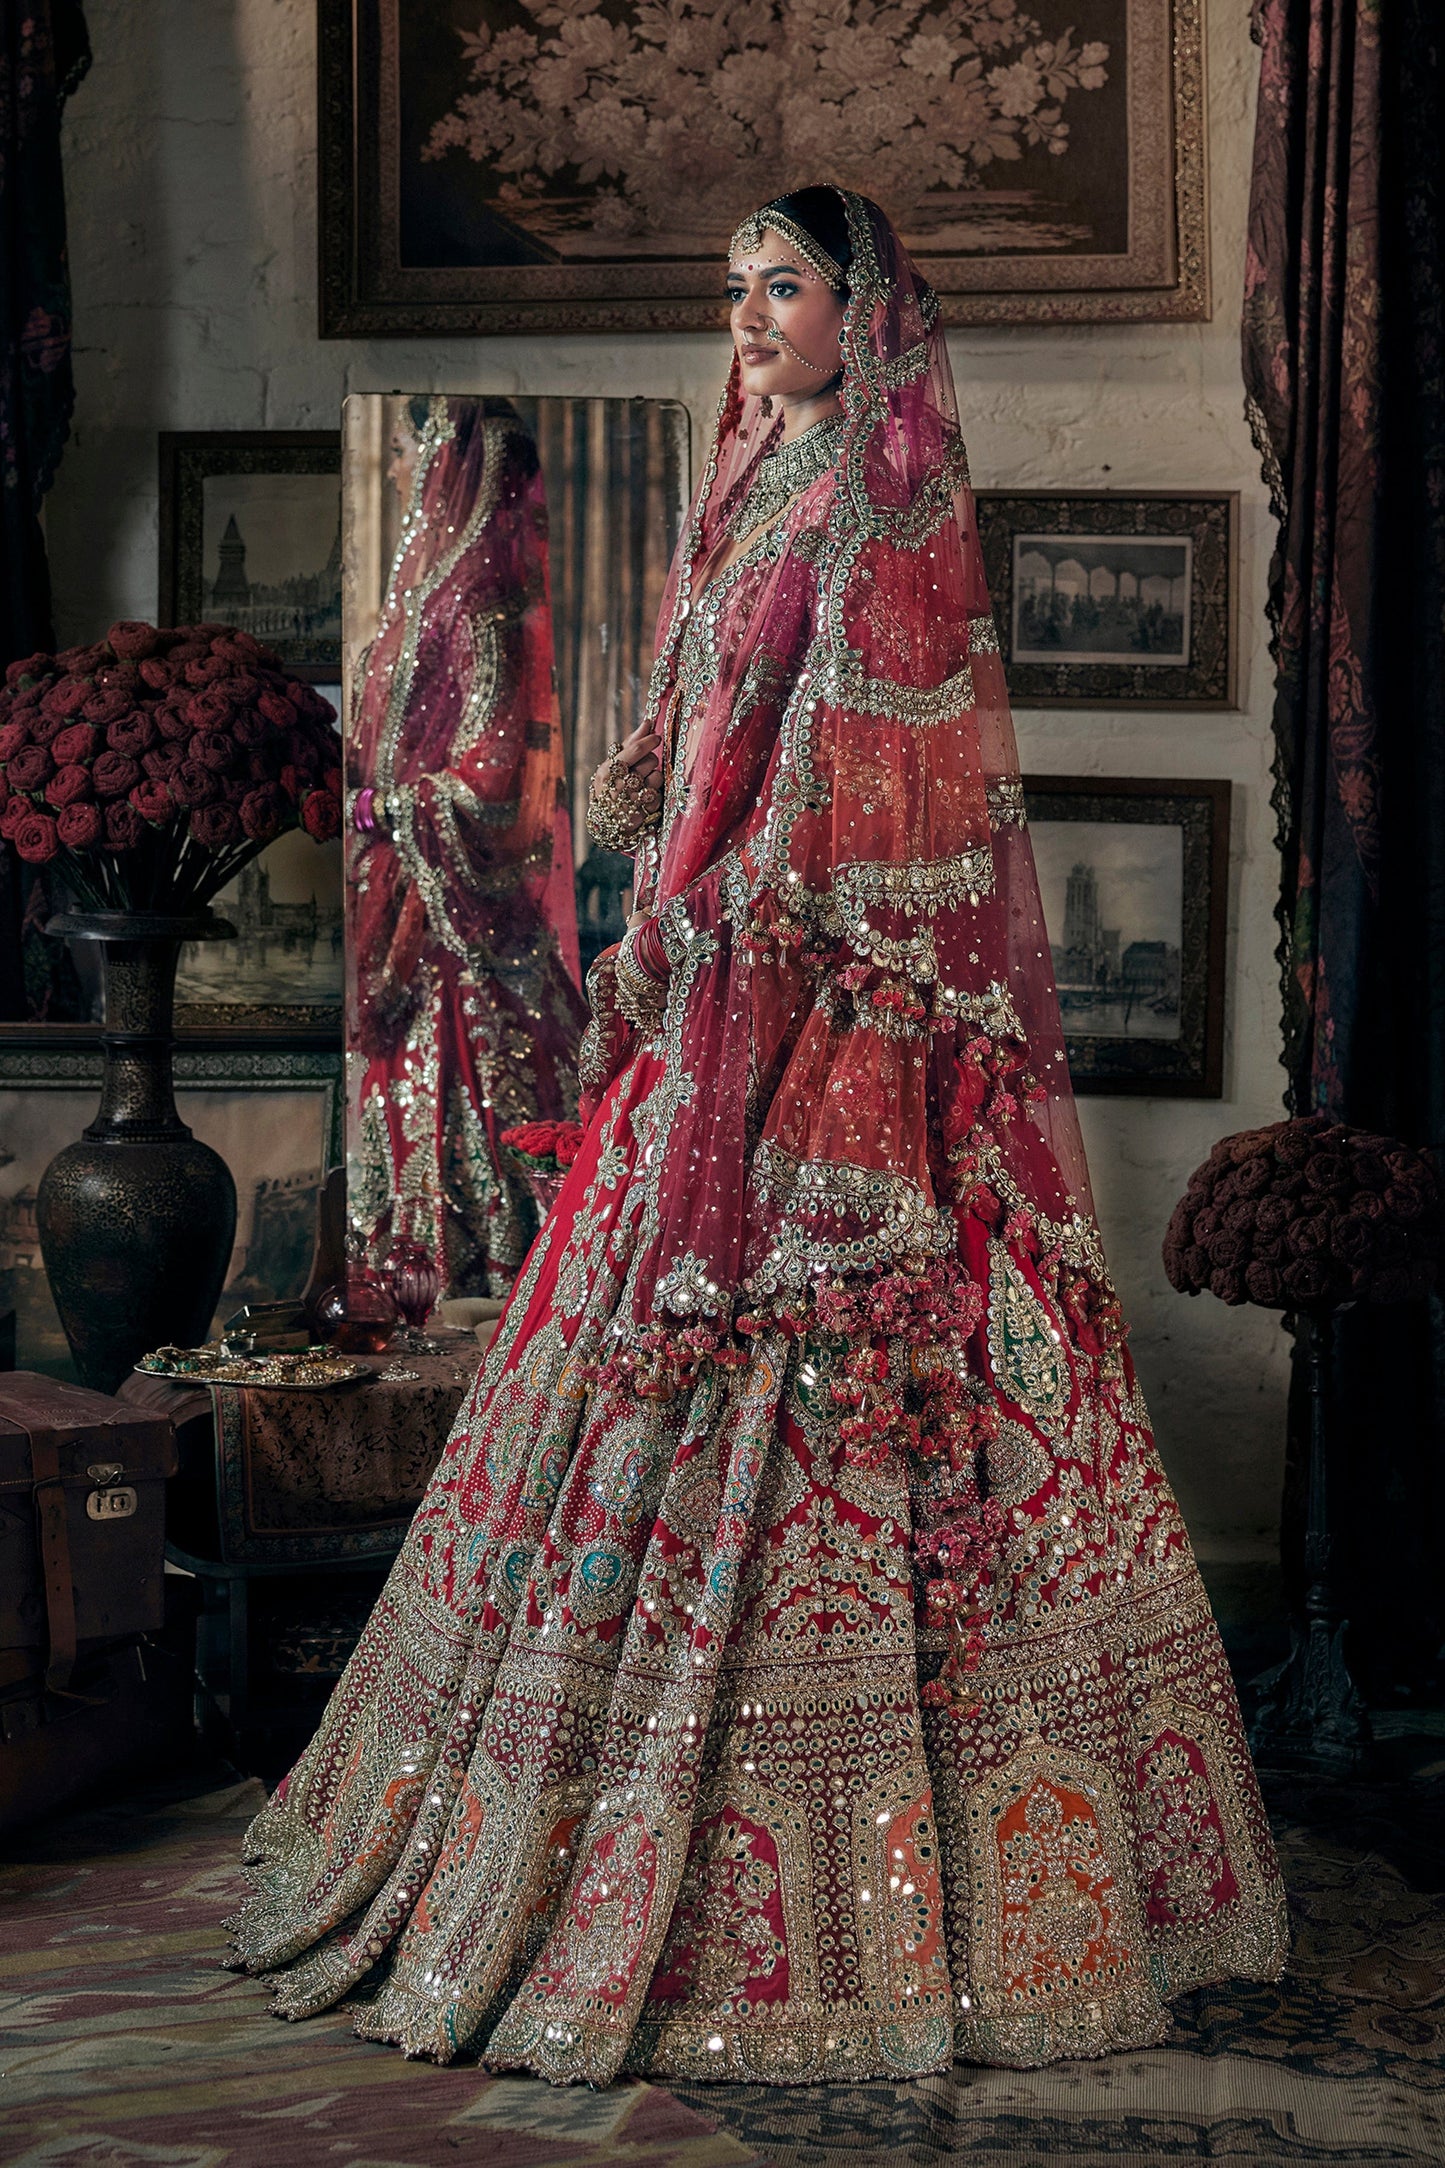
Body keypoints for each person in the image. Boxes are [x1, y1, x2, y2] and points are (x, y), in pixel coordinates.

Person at [231, 191, 1286, 2084]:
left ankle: (913, 1893)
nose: (746, 317)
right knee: (622, 1356)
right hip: (708, 993)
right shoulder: (754, 484)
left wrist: (702, 921)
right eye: (734, 289)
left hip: (820, 1007)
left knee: (851, 1369)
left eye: (781, 284)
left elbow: (866, 778)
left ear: (861, 306)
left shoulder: (880, 499)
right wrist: (652, 816)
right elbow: (712, 717)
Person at [347, 395, 586, 1294]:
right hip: (406, 899)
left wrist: (378, 810)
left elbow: (490, 776)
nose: (398, 470)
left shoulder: (483, 603)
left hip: (456, 919)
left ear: (450, 459)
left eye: (408, 450)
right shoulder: (428, 594)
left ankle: (476, 1291)